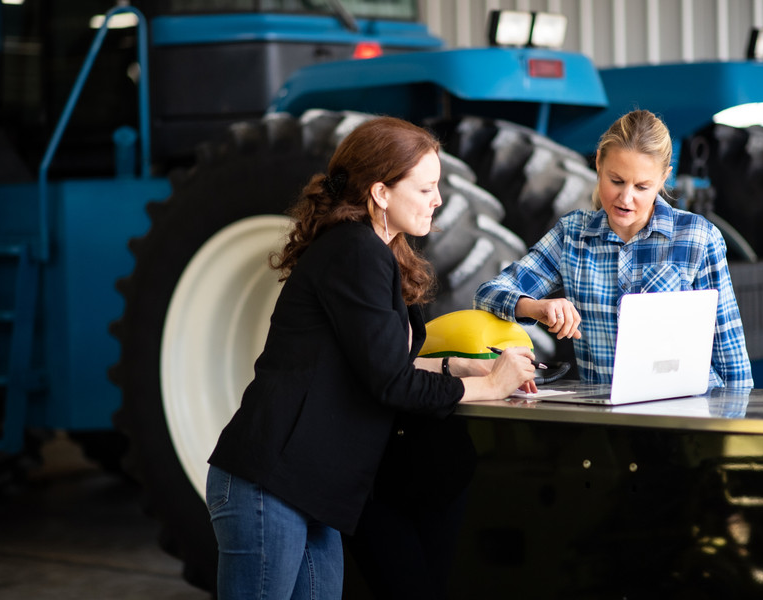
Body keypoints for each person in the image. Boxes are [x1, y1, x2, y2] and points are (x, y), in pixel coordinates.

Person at [205, 116, 538, 600]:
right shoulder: (355, 251)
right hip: (271, 485)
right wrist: (489, 387)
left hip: (313, 491)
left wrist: (461, 368)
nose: (438, 200)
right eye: (425, 188)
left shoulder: (372, 252)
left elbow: (374, 365)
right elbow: (390, 383)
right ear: (381, 192)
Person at [474, 109, 753, 388]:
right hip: (609, 416)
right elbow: (487, 295)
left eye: (642, 187)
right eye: (616, 181)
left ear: (664, 178)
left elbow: (731, 356)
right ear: (598, 163)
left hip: (686, 415)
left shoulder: (697, 238)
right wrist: (536, 307)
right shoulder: (573, 236)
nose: (626, 198)